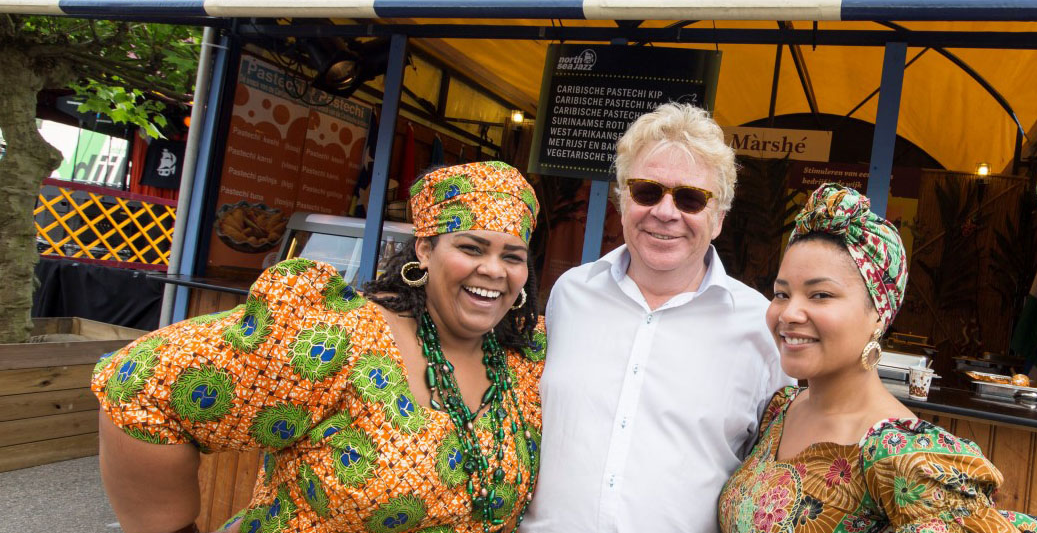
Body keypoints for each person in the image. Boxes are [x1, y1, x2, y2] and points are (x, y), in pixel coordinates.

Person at [93, 160, 546, 533]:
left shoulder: (525, 360)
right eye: (472, 248)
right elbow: (140, 385)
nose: (494, 270)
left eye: (512, 256)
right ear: (425, 251)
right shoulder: (339, 339)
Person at [718, 183, 1037, 533]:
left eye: (820, 295)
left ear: (879, 315)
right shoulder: (780, 411)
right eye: (781, 294)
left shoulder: (901, 455)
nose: (789, 313)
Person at [522, 102, 790, 533]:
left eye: (690, 198)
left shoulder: (760, 326)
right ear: (622, 200)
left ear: (718, 220)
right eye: (647, 191)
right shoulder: (570, 295)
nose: (665, 212)